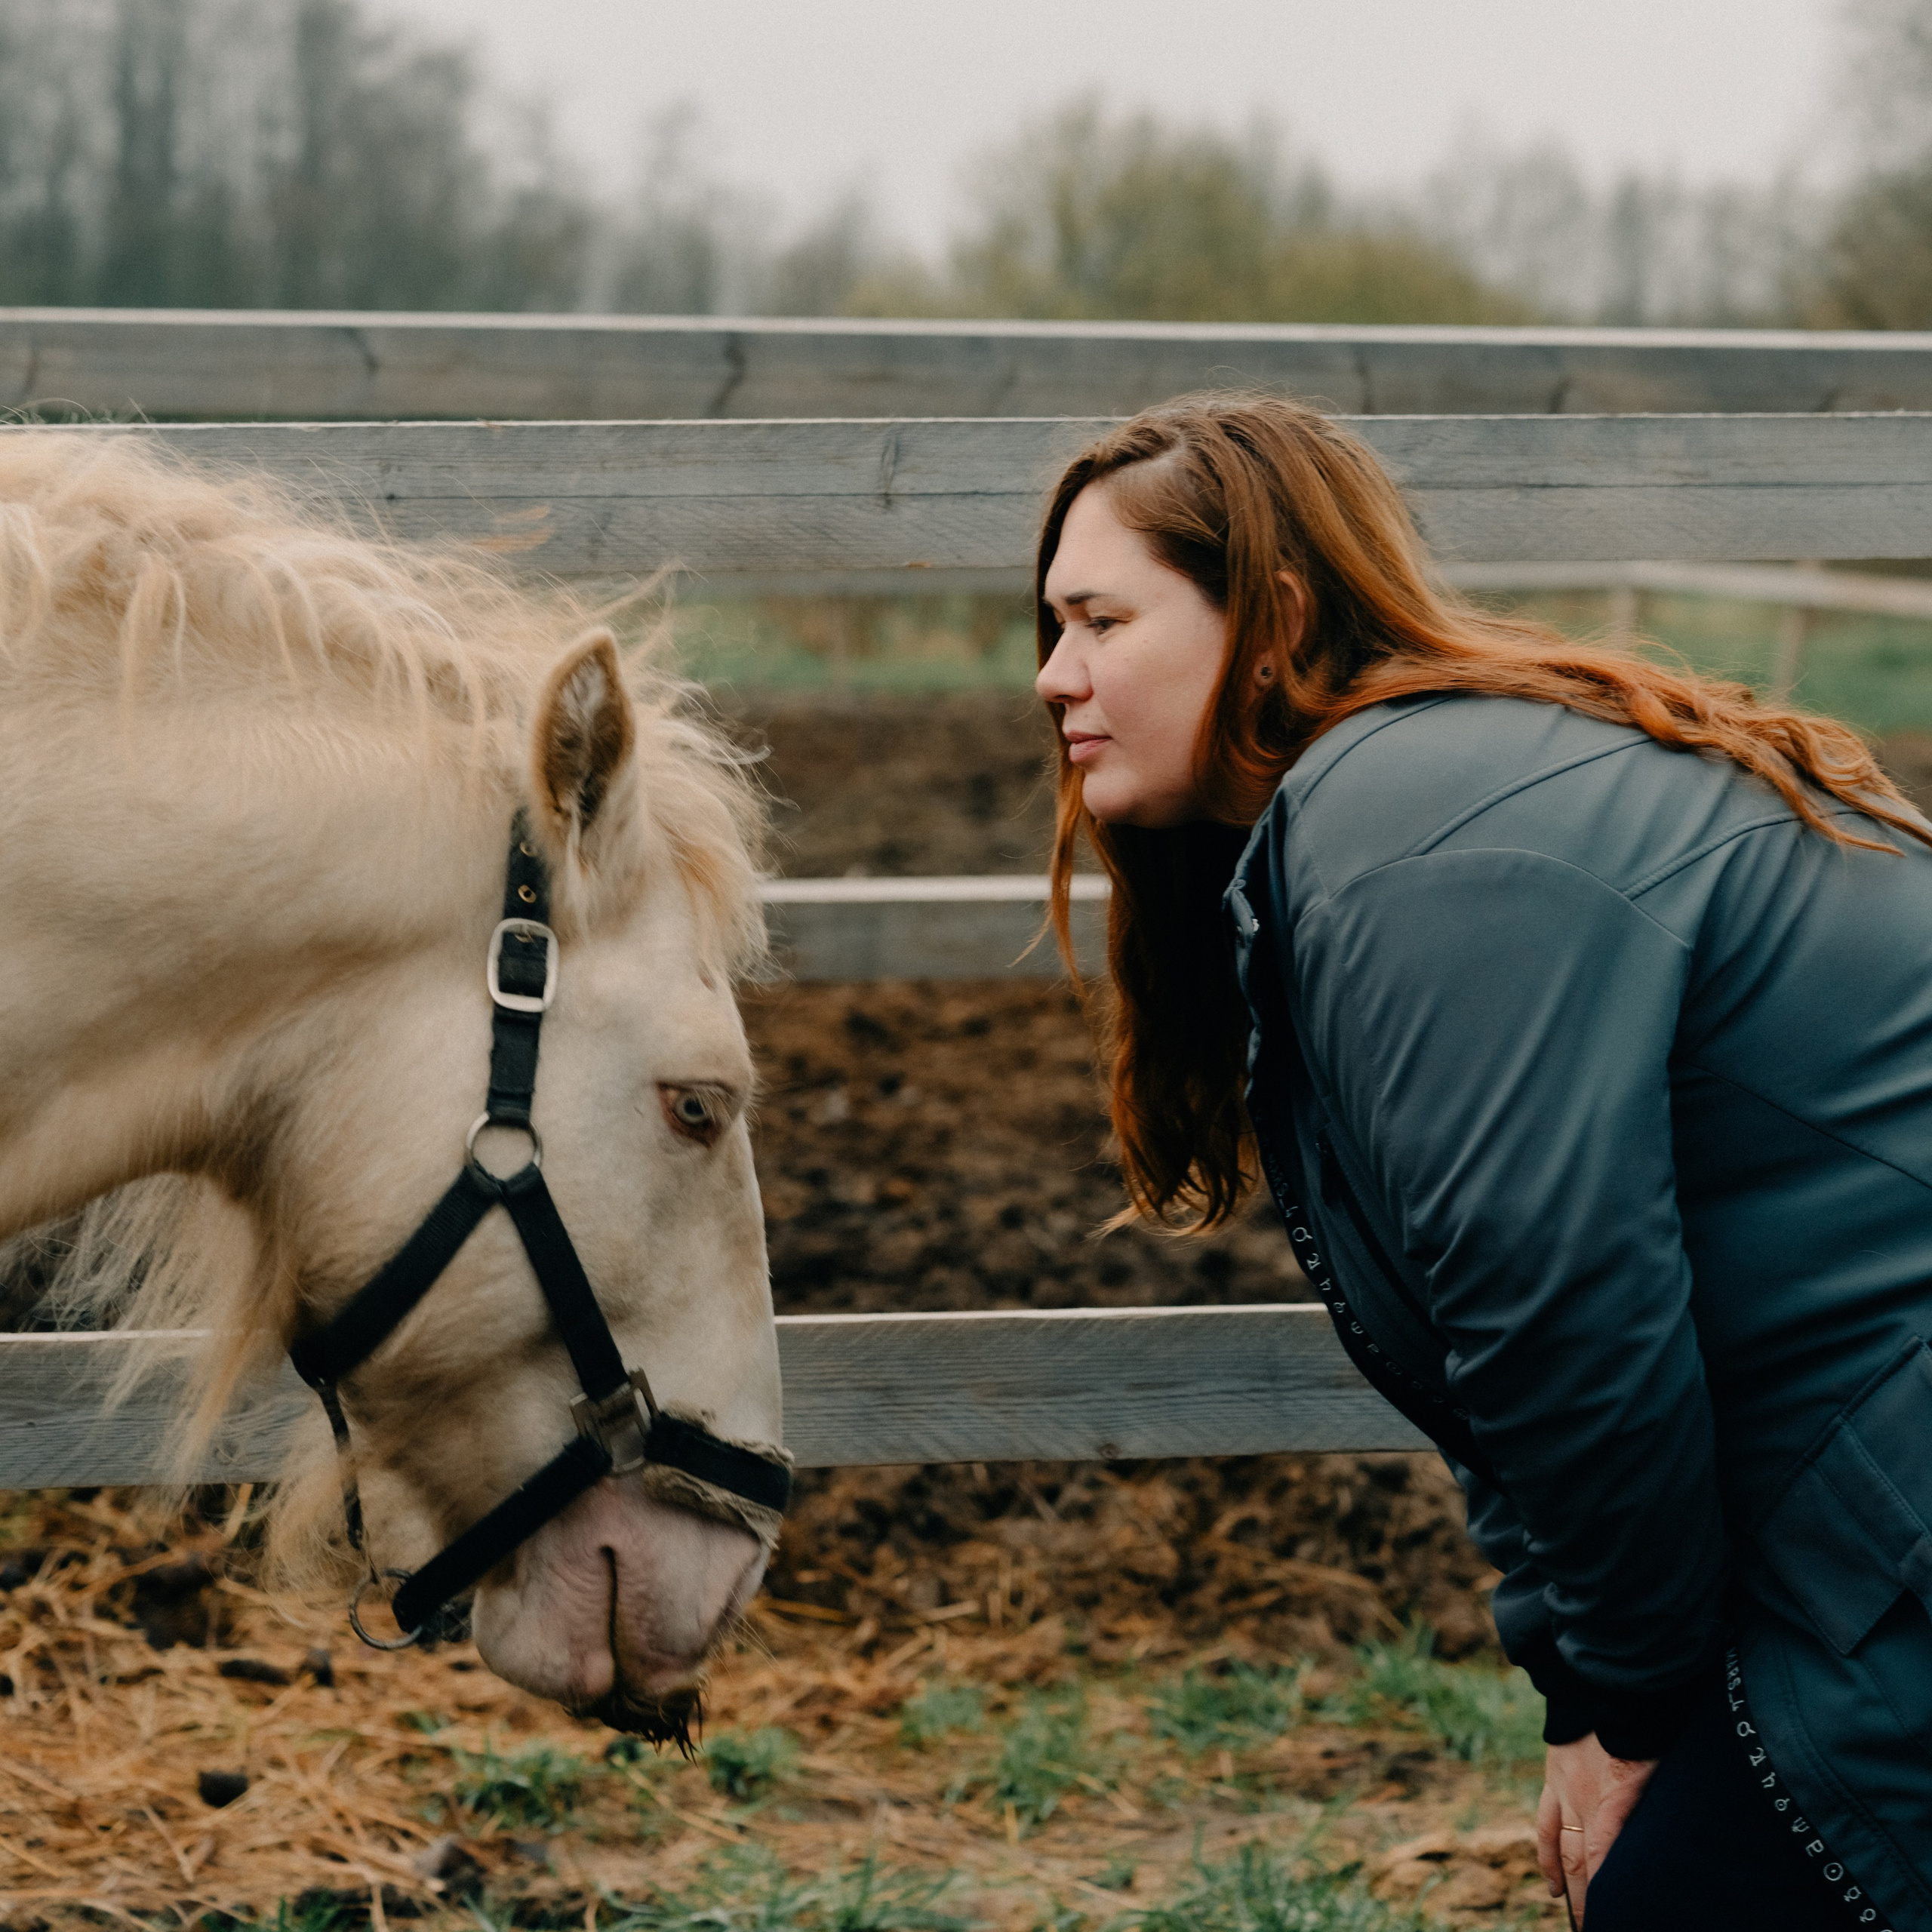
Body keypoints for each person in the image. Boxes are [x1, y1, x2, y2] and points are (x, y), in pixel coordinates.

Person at [1033, 393, 1932, 1930]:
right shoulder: (1395, 805)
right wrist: (1591, 1691)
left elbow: (1562, 1304)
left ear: (1272, 617)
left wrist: (1628, 1703)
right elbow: (1499, 1346)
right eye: (1047, 626)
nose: (1052, 675)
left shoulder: (1411, 834)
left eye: (1098, 618)